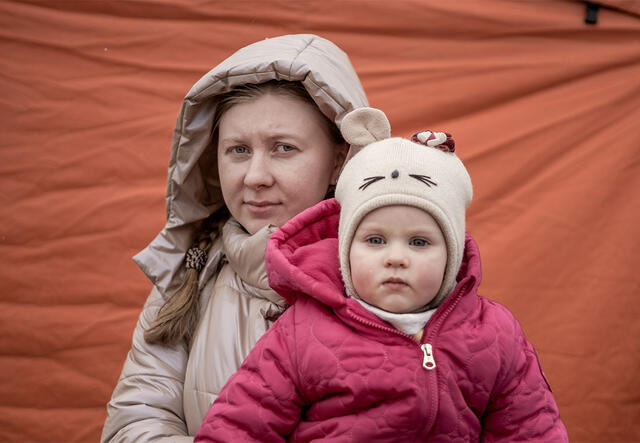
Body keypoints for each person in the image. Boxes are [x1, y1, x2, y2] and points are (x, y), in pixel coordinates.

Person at [194, 108, 569, 442]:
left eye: (419, 243)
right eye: (375, 240)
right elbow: (238, 427)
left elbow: (530, 428)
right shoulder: (300, 332)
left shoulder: (495, 334)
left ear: (452, 256)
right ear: (345, 252)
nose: (396, 258)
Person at [101, 34, 368, 442]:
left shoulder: (392, 272)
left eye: (283, 148)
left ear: (338, 161)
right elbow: (135, 419)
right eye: (238, 150)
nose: (255, 176)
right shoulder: (190, 274)